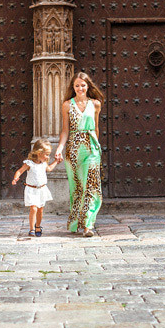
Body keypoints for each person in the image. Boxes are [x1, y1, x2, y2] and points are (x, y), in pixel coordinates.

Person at [55, 72, 104, 237]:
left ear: (88, 86)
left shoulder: (96, 104)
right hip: (74, 150)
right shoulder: (67, 105)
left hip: (91, 148)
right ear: (73, 87)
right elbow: (65, 130)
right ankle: (76, 222)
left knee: (91, 185)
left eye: (83, 85)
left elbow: (96, 128)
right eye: (77, 85)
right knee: (77, 187)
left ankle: (88, 226)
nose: (80, 88)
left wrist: (97, 146)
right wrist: (59, 148)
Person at [13, 139, 60, 237]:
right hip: (31, 189)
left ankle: (38, 226)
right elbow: (20, 171)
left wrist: (56, 161)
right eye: (46, 154)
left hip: (42, 189)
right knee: (33, 208)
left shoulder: (44, 163)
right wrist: (16, 178)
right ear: (39, 153)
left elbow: (49, 169)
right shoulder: (29, 163)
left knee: (40, 209)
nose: (48, 157)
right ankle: (31, 229)